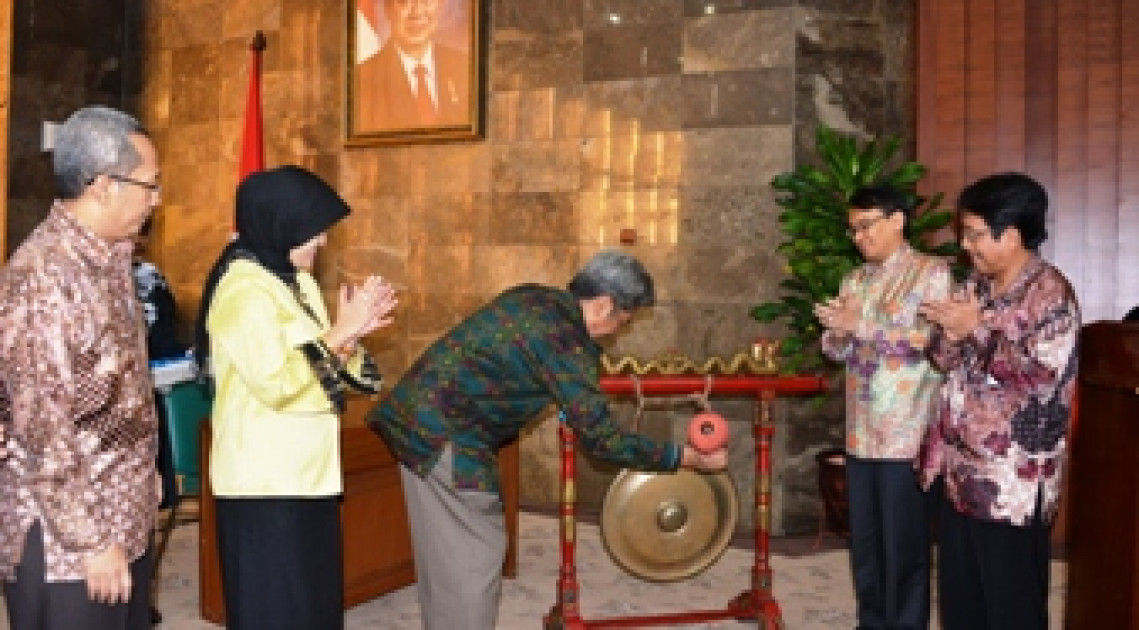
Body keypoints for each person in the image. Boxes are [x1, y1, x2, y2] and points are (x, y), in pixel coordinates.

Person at [367, 250, 729, 630]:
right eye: (622, 321)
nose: (617, 332)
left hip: (412, 419)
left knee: (445, 556)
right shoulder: (568, 343)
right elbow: (603, 441)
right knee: (476, 552)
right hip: (446, 439)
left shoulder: (534, 297)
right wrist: (687, 458)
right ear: (603, 305)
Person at [194, 165, 397, 630]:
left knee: (313, 607)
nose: (322, 241)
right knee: (276, 612)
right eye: (314, 230)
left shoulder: (296, 281)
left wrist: (350, 337)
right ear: (280, 223)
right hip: (264, 485)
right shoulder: (243, 291)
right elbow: (278, 384)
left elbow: (323, 362)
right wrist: (341, 332)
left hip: (310, 474)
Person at [0, 105, 163, 630]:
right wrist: (90, 541)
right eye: (149, 185)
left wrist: (145, 477)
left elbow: (121, 387)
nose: (156, 199)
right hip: (67, 545)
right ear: (103, 186)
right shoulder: (43, 278)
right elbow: (42, 429)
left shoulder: (111, 260)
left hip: (122, 515)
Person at [918, 172, 1079, 630]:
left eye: (974, 234)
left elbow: (1040, 379)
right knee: (962, 604)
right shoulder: (977, 284)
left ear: (1010, 235)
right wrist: (950, 333)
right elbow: (942, 359)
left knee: (1011, 608)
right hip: (961, 472)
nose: (965, 244)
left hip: (1012, 483)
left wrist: (976, 330)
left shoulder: (1050, 295)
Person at [814, 185, 950, 630]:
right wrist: (837, 332)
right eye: (853, 229)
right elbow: (837, 351)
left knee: (904, 547)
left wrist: (862, 326)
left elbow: (932, 342)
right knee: (866, 546)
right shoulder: (855, 280)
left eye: (866, 225)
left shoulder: (931, 273)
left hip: (906, 434)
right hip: (861, 432)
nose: (859, 237)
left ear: (897, 220)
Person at [354, 0, 470, 131]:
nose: (417, 12)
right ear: (387, 9)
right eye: (404, 2)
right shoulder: (361, 81)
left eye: (426, 1)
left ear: (440, 5)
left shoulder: (467, 68)